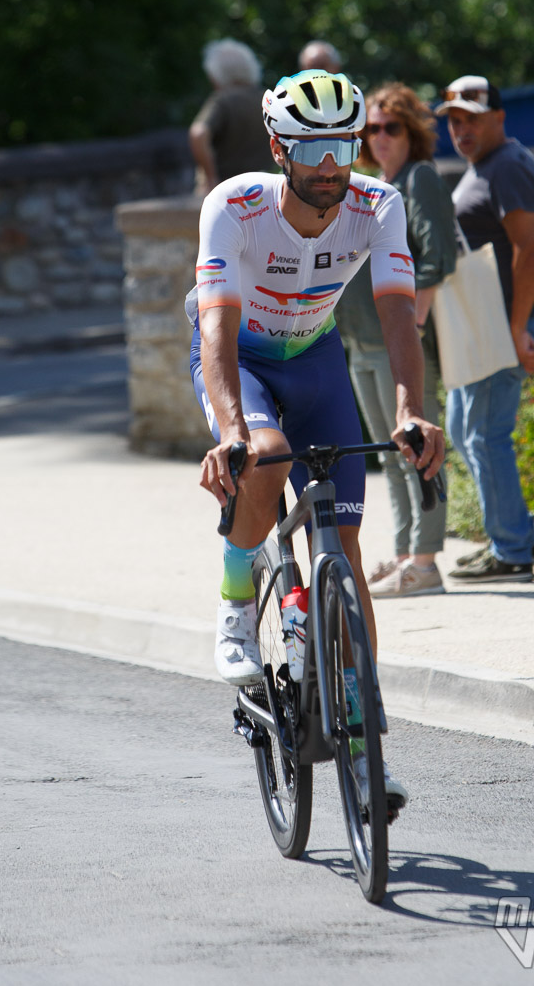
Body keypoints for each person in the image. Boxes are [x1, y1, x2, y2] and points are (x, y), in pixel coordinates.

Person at [186, 68, 445, 805]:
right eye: (313, 150)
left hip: (319, 361)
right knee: (264, 457)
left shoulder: (378, 202)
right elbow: (215, 326)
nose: (333, 167)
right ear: (278, 147)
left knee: (348, 549)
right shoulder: (233, 206)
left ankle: (365, 747)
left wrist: (406, 411)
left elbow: (399, 312)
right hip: (244, 361)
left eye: (344, 146)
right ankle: (238, 598)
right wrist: (232, 430)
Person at [337, 83, 457, 598]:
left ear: (412, 132)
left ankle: (426, 563)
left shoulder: (419, 179)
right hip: (360, 341)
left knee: (415, 445)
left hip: (396, 342)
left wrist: (415, 324)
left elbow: (438, 257)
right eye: (371, 129)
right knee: (389, 452)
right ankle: (408, 553)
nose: (380, 138)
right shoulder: (371, 185)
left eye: (391, 127)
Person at [434, 75, 534, 582]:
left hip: (505, 323)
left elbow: (530, 250)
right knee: (467, 430)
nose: (461, 129)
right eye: (454, 120)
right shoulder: (493, 164)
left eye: (472, 118)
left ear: (499, 117)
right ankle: (510, 537)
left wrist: (519, 327)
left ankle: (513, 551)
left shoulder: (505, 168)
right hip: (493, 323)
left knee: (485, 434)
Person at [188, 39, 270, 195]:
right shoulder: (268, 98)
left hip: (227, 191)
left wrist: (211, 179)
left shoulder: (222, 100)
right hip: (265, 188)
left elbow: (198, 134)